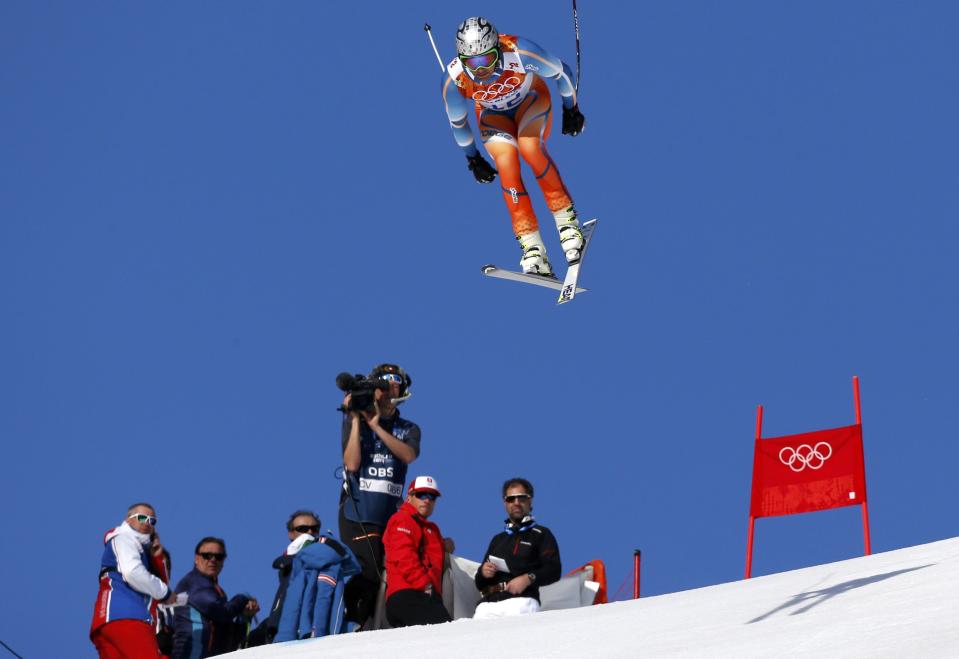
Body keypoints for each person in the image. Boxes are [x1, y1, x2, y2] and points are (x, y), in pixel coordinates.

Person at [441, 16, 587, 278]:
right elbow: (458, 123)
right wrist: (472, 158)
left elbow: (561, 71)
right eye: (472, 63)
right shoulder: (456, 80)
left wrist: (571, 108)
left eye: (486, 59)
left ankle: (567, 225)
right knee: (507, 166)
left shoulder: (518, 52)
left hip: (531, 101)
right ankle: (532, 247)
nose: (480, 69)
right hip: (492, 117)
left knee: (530, 148)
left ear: (497, 49)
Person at [338, 363, 420, 628]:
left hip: (389, 516)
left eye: (394, 380)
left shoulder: (408, 427)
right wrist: (355, 420)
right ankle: (353, 625)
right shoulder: (356, 420)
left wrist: (376, 427)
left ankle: (377, 627)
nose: (388, 386)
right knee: (369, 571)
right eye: (383, 381)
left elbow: (408, 455)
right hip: (359, 512)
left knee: (391, 573)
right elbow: (351, 464)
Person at [90, 503, 178, 659]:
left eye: (152, 521)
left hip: (106, 621)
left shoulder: (141, 550)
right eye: (142, 518)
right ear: (128, 520)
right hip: (127, 615)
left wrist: (157, 555)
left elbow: (160, 584)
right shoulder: (124, 538)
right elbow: (132, 572)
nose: (147, 523)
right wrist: (164, 593)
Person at [473, 478, 561, 619]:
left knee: (515, 641)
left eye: (521, 498)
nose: (516, 503)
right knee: (474, 639)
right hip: (488, 605)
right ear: (504, 503)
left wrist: (528, 578)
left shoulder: (541, 533)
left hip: (521, 602)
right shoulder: (497, 539)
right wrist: (483, 572)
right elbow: (479, 583)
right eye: (511, 499)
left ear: (530, 501)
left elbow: (554, 569)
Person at [382, 476, 454, 628]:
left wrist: (444, 544)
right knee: (449, 636)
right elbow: (403, 556)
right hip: (410, 594)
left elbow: (427, 551)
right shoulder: (402, 519)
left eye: (432, 496)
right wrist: (425, 585)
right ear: (409, 497)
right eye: (421, 495)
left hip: (422, 596)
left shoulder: (429, 528)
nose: (427, 500)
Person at [171, 537, 260, 658]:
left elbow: (229, 639)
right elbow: (220, 612)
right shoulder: (194, 583)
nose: (213, 560)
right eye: (207, 555)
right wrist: (243, 597)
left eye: (219, 557)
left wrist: (244, 617)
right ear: (196, 559)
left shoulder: (216, 590)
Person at [248, 510, 323, 645]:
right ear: (291, 534)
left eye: (314, 528)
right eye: (303, 529)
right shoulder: (287, 561)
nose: (310, 533)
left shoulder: (325, 558)